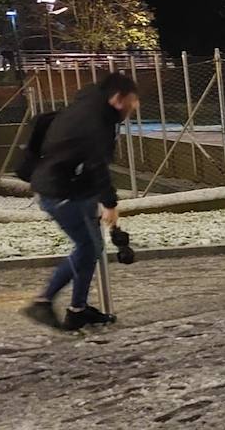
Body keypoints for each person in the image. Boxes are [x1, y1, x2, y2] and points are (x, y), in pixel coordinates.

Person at [22, 73, 139, 331]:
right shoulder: (97, 121)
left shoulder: (86, 107)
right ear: (118, 99)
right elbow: (98, 164)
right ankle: (43, 300)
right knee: (88, 248)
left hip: (75, 188)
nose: (133, 108)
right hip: (60, 191)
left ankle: (78, 309)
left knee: (92, 248)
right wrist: (110, 203)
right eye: (132, 102)